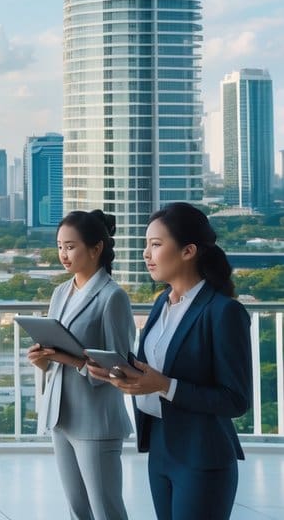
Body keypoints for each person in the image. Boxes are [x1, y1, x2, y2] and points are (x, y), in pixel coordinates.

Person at [93, 203, 251, 520]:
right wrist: (121, 373)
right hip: (161, 447)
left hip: (202, 454)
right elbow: (155, 369)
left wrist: (166, 386)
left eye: (156, 244)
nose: (146, 254)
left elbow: (236, 400)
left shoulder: (223, 312)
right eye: (146, 245)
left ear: (188, 251)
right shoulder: (161, 304)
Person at [27, 210, 133, 520]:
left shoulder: (113, 297)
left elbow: (119, 370)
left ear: (96, 248)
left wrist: (71, 360)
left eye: (70, 247)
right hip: (62, 416)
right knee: (77, 511)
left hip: (96, 420)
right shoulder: (61, 292)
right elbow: (55, 359)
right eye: (60, 246)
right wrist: (42, 360)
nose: (63, 254)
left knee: (106, 512)